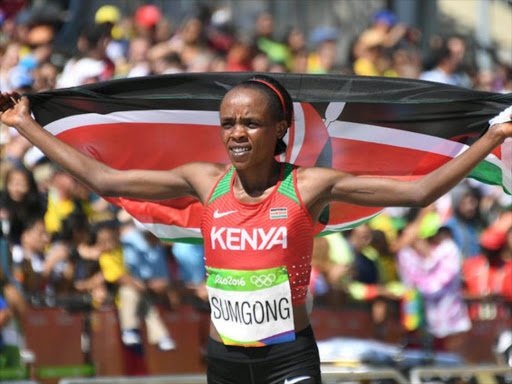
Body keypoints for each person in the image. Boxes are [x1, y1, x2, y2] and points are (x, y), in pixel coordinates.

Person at [1, 75, 511, 384]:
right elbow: (103, 177)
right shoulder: (204, 180)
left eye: (250, 123)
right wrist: (26, 126)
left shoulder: (310, 186)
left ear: (280, 130)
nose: (237, 133)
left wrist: (491, 138)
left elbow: (415, 194)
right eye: (228, 123)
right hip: (224, 356)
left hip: (288, 352)